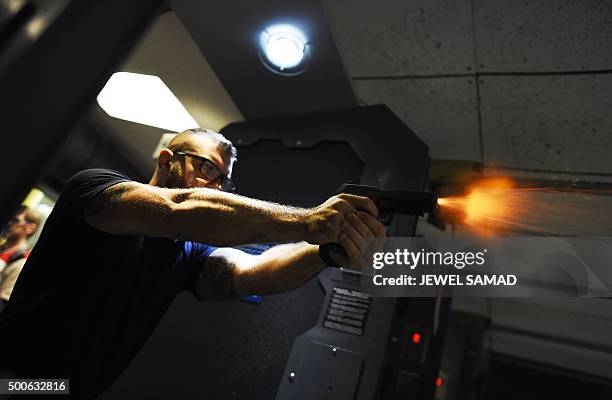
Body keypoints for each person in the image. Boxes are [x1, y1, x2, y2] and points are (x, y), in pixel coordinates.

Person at [0, 128, 386, 398]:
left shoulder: (185, 252)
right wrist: (309, 222)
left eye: (223, 181)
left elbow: (253, 274)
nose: (215, 186)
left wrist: (324, 250)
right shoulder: (95, 187)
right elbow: (178, 207)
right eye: (206, 168)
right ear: (167, 159)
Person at [0, 206, 41, 313]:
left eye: (16, 220)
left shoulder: (21, 261)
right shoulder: (3, 249)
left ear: (30, 228)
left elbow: (3, 304)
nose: (9, 223)